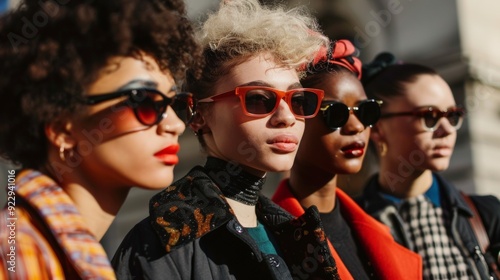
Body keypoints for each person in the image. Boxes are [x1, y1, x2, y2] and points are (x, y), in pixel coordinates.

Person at [111, 1, 345, 279]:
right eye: (259, 98)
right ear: (198, 113)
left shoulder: (298, 234)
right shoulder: (158, 244)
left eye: (297, 100)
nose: (287, 117)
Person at [0, 0, 201, 278]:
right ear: (62, 128)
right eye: (142, 101)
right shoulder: (19, 253)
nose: (176, 125)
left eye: (175, 103)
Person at [271, 40, 422, 279]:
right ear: (293, 118)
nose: (356, 126)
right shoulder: (266, 240)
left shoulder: (383, 231)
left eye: (366, 111)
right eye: (335, 113)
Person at [356, 52, 500, 279]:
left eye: (453, 116)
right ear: (378, 129)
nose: (447, 130)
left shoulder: (487, 214)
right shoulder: (354, 224)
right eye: (430, 116)